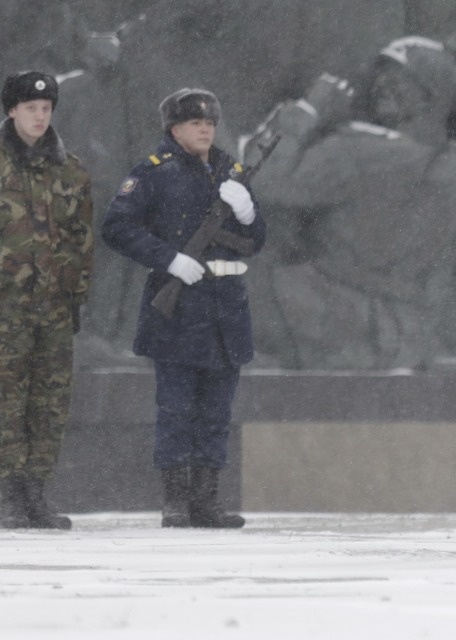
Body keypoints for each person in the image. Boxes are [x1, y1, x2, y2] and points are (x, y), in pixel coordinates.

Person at [240, 36, 456, 371]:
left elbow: (258, 182)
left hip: (312, 319)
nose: (381, 85)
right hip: (410, 340)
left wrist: (307, 110)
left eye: (398, 80)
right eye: (381, 76)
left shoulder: (352, 152)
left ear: (430, 95)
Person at [102, 88, 266, 529]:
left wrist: (248, 213)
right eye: (196, 123)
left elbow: (255, 242)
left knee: (216, 411)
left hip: (225, 309)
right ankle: (176, 503)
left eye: (210, 123)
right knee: (176, 409)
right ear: (174, 129)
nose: (206, 129)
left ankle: (206, 502)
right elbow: (116, 227)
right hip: (179, 308)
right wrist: (169, 258)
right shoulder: (154, 173)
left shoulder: (230, 172)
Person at [0, 71, 94, 530]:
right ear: (12, 111)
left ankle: (37, 494)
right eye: (31, 108)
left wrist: (76, 297)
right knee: (6, 402)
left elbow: (81, 239)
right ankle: (11, 496)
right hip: (4, 306)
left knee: (49, 403)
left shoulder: (70, 170)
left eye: (46, 108)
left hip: (53, 306)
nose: (40, 116)